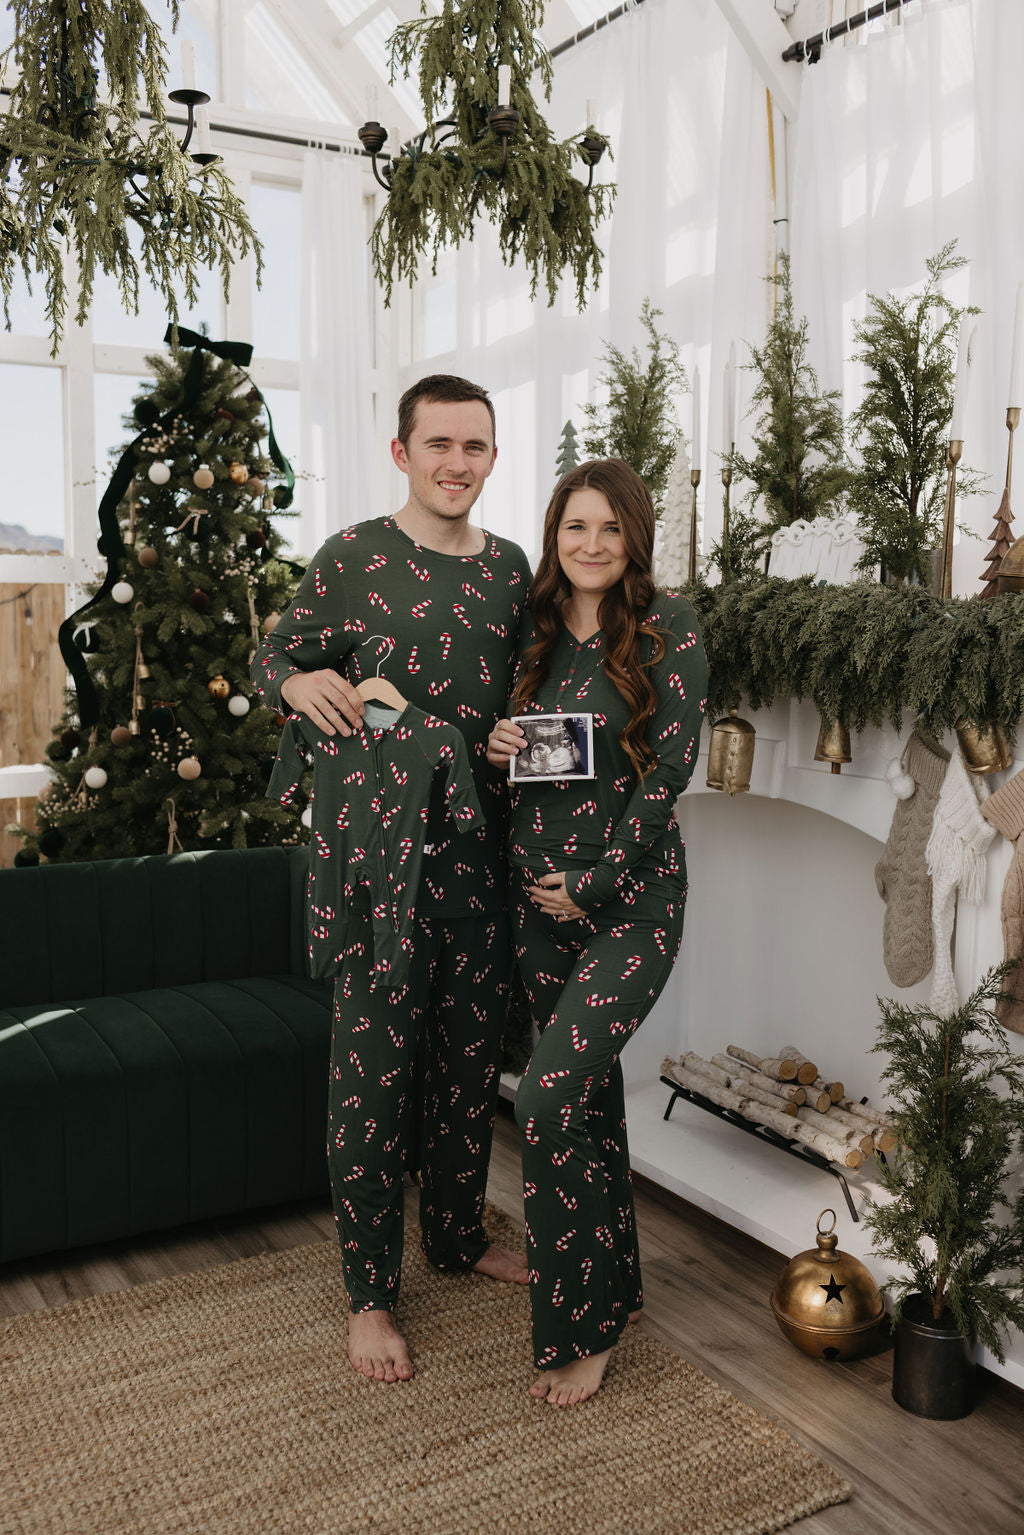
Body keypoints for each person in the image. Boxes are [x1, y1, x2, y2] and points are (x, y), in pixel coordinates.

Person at [251, 375, 532, 1386]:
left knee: (465, 1074)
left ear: (494, 456)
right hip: (379, 872)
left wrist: (512, 737)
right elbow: (272, 651)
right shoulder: (356, 558)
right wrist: (296, 677)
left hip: (481, 864)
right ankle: (370, 1292)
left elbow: (528, 703)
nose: (457, 462)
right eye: (439, 443)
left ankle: (455, 1234)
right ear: (401, 450)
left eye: (476, 445)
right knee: (373, 1083)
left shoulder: (512, 572)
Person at [487, 457, 708, 1406]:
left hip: (630, 906)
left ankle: (583, 1330)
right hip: (537, 905)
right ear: (555, 537)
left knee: (541, 1100)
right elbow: (535, 764)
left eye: (608, 530)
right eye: (575, 528)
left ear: (633, 539)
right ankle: (617, 1285)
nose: (590, 545)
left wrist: (597, 884)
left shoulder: (672, 628)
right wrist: (502, 743)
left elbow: (666, 776)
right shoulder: (533, 634)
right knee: (584, 1100)